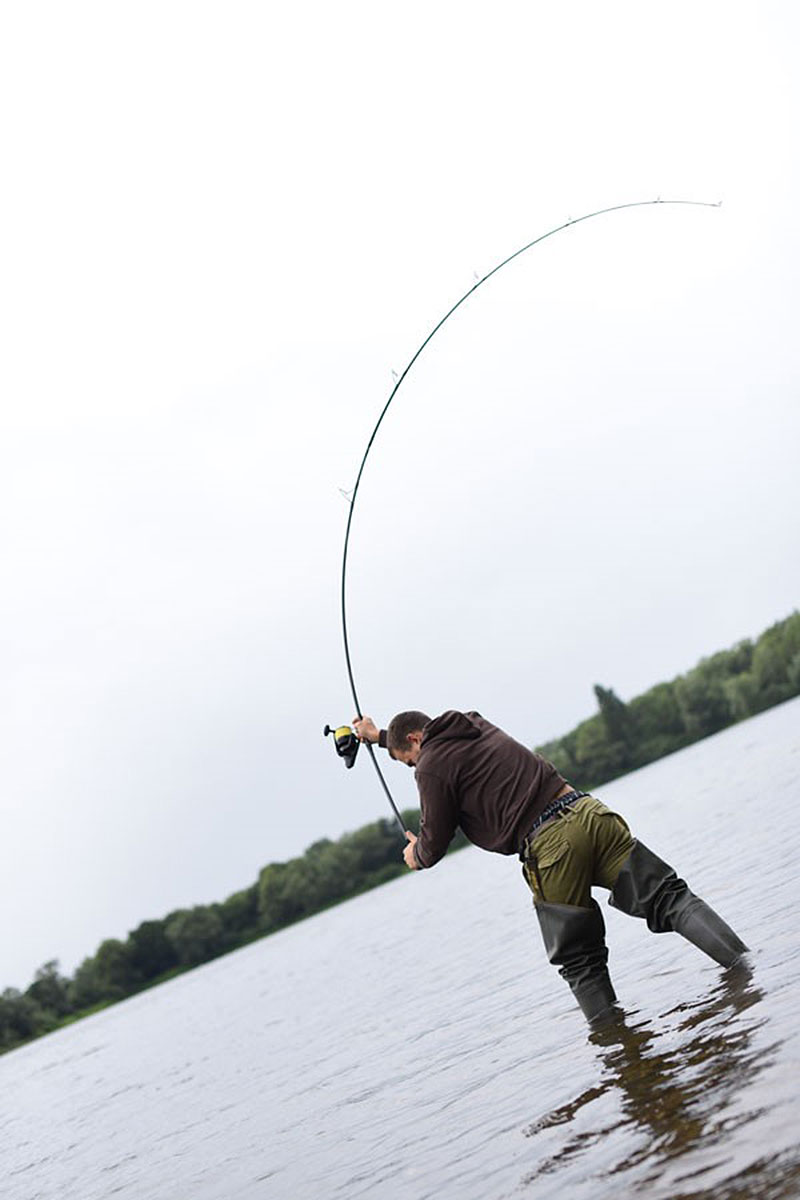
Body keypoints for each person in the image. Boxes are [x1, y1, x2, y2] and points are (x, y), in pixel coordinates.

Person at [353, 709, 748, 1023]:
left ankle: (618, 1054)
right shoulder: (472, 723)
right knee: (670, 898)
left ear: (416, 740)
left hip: (551, 844)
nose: (412, 768)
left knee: (580, 961)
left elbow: (435, 841)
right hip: (588, 811)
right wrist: (381, 737)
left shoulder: (430, 766)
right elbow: (428, 737)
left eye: (407, 761)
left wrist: (415, 855)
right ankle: (748, 971)